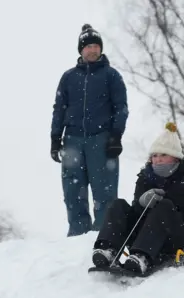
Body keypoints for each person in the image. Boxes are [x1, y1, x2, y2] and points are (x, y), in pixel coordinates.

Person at [91, 122, 184, 276]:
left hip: (176, 240)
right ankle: (109, 249)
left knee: (164, 205)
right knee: (118, 205)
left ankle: (143, 256)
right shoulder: (145, 177)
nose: (158, 160)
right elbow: (135, 214)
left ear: (175, 157)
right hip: (143, 236)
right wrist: (141, 202)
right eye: (154, 155)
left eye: (163, 155)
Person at [50, 24, 129, 236]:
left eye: (96, 46)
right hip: (73, 140)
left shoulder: (111, 75)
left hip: (101, 139)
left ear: (101, 49)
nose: (92, 50)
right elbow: (59, 109)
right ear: (81, 50)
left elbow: (121, 107)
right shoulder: (69, 77)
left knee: (104, 191)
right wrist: (55, 139)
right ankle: (77, 235)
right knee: (73, 191)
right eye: (88, 46)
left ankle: (105, 236)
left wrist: (115, 136)